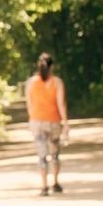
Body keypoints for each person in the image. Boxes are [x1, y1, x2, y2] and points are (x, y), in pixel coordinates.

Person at [26, 53, 68, 195]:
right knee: (54, 154)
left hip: (37, 121)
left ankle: (44, 186)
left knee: (42, 155)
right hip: (53, 121)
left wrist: (31, 120)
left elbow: (29, 104)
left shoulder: (31, 82)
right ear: (53, 66)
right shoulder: (57, 82)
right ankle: (55, 182)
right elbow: (61, 104)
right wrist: (66, 122)